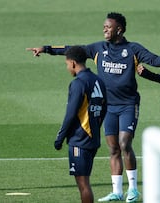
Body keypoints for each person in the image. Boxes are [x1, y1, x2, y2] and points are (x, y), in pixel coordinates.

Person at [27, 12, 160, 202]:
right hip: (108, 106)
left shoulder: (133, 49)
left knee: (125, 143)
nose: (104, 29)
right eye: (104, 27)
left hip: (128, 104)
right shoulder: (98, 48)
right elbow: (72, 50)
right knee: (113, 148)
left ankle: (133, 189)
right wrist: (46, 48)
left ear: (119, 29)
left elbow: (156, 60)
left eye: (108, 27)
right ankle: (117, 191)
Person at [54, 46, 107, 203]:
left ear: (73, 63)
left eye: (67, 64)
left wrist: (60, 137)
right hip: (93, 138)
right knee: (85, 182)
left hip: (80, 139)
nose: (67, 67)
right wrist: (95, 127)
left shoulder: (78, 83)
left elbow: (70, 114)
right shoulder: (98, 80)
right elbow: (104, 108)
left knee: (83, 184)